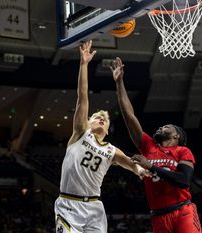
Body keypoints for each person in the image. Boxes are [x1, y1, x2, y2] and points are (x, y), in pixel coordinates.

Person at [54, 41, 149, 233]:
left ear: (107, 130)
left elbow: (130, 163)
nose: (100, 118)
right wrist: (84, 65)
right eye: (96, 117)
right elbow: (82, 98)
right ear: (88, 123)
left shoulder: (111, 150)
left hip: (95, 208)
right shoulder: (80, 133)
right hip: (69, 204)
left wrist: (139, 170)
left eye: (104, 119)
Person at [110, 57, 202, 233]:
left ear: (176, 135)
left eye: (166, 126)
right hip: (159, 216)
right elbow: (129, 116)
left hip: (183, 211)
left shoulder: (183, 151)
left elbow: (183, 181)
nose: (161, 127)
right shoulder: (149, 146)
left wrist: (151, 167)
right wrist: (119, 82)